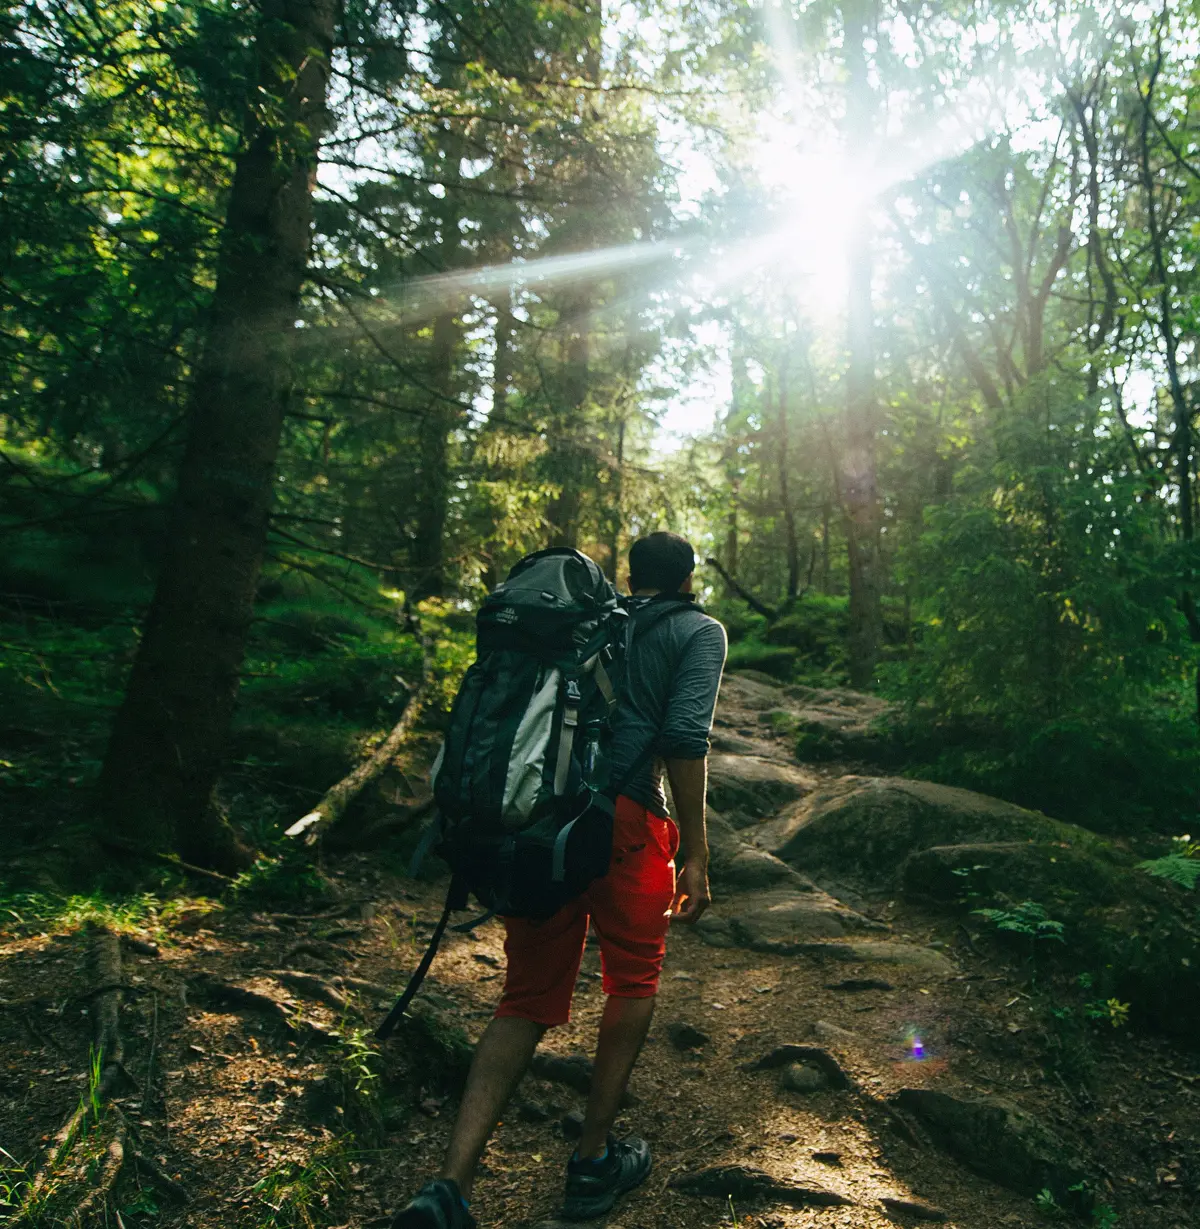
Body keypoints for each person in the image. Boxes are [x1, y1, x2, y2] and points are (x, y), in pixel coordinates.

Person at [392, 531, 727, 1229]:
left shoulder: (590, 624)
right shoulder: (699, 631)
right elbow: (685, 738)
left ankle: (449, 1186)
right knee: (633, 979)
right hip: (628, 824)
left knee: (524, 997)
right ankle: (592, 1160)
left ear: (631, 575)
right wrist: (696, 852)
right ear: (690, 577)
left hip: (542, 826)